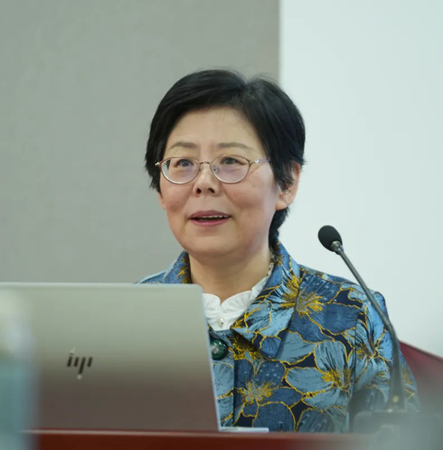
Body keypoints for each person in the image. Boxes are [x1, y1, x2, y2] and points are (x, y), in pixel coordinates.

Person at [139, 69, 419, 432]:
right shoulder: (126, 320)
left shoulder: (353, 317)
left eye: (231, 161)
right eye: (183, 164)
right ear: (161, 190)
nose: (204, 183)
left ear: (286, 182)